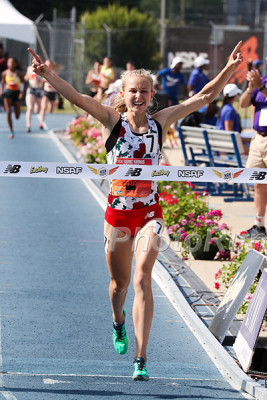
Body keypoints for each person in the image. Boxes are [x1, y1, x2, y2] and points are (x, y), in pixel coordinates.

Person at [28, 42, 243, 381]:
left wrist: (229, 69)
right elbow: (78, 99)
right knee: (120, 284)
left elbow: (202, 98)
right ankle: (118, 321)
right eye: (133, 91)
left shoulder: (161, 122)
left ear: (152, 94)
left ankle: (141, 358)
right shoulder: (112, 121)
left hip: (149, 215)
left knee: (143, 277)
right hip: (117, 216)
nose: (138, 96)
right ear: (124, 94)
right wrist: (48, 75)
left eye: (144, 91)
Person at [239, 68, 267, 239]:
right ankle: (259, 226)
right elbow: (243, 104)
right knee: (258, 183)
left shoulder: (261, 83)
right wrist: (251, 88)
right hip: (259, 139)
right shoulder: (262, 80)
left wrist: (261, 88)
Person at [0, 57, 27, 139]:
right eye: (10, 62)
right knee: (8, 112)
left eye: (13, 62)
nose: (11, 64)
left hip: (16, 94)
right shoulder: (4, 73)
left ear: (15, 64)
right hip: (8, 93)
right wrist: (1, 91)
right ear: (7, 64)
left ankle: (16, 112)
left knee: (17, 116)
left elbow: (24, 83)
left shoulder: (19, 73)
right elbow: (3, 83)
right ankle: (11, 130)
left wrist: (22, 93)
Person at [24, 65, 44, 132]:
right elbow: (25, 77)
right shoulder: (29, 68)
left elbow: (45, 79)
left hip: (39, 89)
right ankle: (28, 125)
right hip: (31, 88)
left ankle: (41, 122)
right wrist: (28, 77)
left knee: (37, 110)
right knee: (29, 107)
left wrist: (40, 79)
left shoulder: (42, 68)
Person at [39, 60, 58, 130]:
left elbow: (57, 81)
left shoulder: (54, 72)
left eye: (49, 64)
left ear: (51, 65)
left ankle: (49, 122)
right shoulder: (44, 72)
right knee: (43, 107)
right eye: (46, 64)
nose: (48, 66)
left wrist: (52, 82)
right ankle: (41, 122)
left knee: (51, 109)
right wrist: (46, 79)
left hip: (52, 92)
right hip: (46, 91)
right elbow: (40, 78)